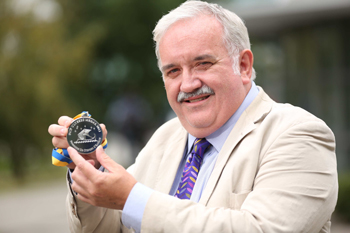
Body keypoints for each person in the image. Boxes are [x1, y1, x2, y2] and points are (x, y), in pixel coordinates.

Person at [48, 1, 338, 232]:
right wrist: (90, 171)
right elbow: (108, 228)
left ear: (244, 65)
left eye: (202, 64)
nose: (187, 84)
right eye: (173, 71)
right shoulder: (166, 137)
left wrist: (133, 198)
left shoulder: (299, 134)